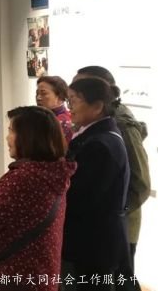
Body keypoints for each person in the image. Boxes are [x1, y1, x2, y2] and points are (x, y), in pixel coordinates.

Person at [0, 106, 76, 290]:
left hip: (14, 277)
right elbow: (11, 207)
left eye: (11, 131)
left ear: (28, 136)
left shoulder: (25, 177)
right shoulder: (50, 172)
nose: (7, 138)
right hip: (38, 274)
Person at [73, 66, 151, 279]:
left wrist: (114, 212)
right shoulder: (92, 122)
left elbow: (141, 183)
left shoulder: (122, 125)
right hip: (100, 227)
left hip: (118, 225)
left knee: (117, 280)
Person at [62, 77, 131, 291]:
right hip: (96, 238)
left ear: (98, 106)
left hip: (92, 240)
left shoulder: (99, 145)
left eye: (74, 100)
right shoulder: (97, 136)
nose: (69, 107)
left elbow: (80, 197)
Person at [36, 76, 73, 143]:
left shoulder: (63, 122)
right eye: (37, 93)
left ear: (60, 96)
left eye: (43, 93)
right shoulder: (40, 117)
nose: (38, 98)